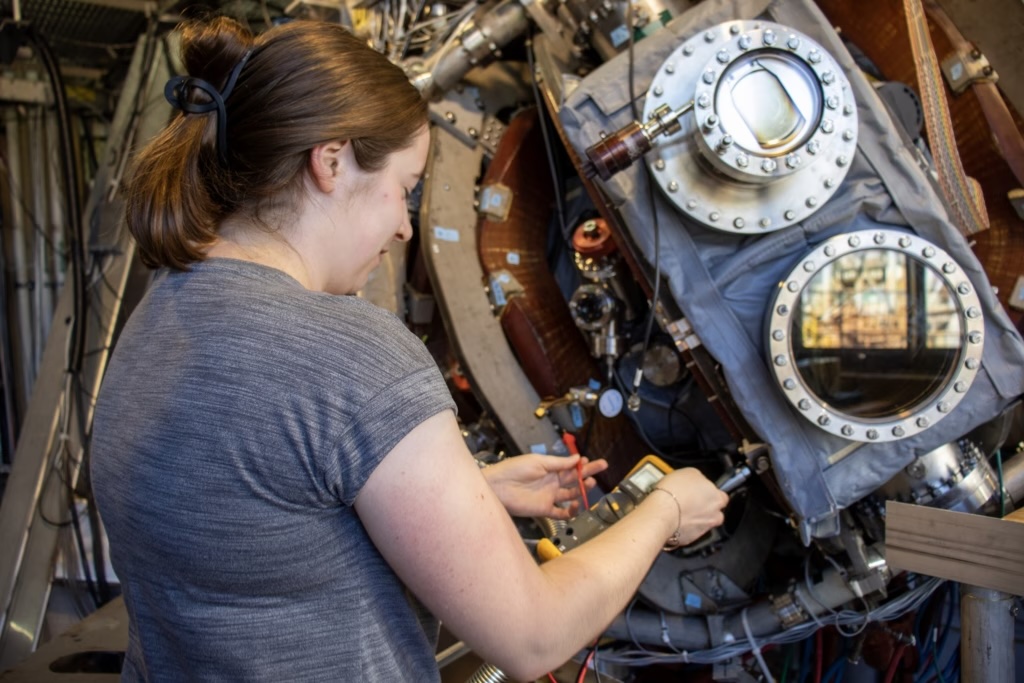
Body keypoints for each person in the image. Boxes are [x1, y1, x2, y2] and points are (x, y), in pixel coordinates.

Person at [89, 16, 730, 683]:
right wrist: (666, 510)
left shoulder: (162, 307)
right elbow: (535, 636)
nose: (402, 225)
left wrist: (463, 494)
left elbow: (249, 517)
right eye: (404, 189)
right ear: (330, 162)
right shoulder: (348, 350)